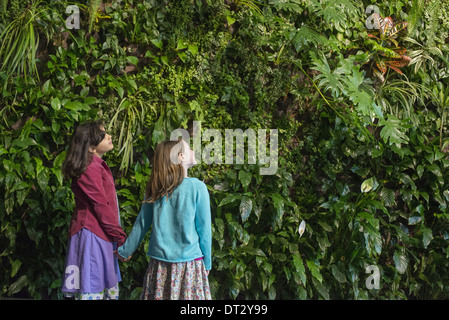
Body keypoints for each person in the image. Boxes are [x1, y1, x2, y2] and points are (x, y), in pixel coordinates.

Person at [117, 139, 212, 300]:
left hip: (159, 266)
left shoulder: (156, 187)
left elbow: (142, 223)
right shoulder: (198, 188)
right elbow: (204, 230)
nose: (193, 151)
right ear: (181, 156)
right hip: (190, 266)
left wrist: (125, 251)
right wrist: (207, 263)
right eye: (190, 149)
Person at [60, 120, 127, 300]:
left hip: (101, 234)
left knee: (98, 288)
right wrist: (119, 236)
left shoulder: (96, 165)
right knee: (91, 289)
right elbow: (100, 205)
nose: (109, 136)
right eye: (103, 135)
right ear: (90, 147)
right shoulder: (90, 168)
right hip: (92, 235)